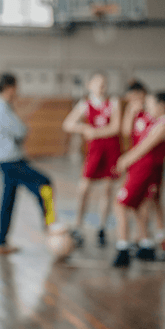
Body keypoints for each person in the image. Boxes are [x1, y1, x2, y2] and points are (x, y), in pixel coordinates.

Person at [0, 73, 56, 255]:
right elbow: (20, 131)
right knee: (45, 184)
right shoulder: (0, 107)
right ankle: (51, 226)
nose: (17, 91)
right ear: (9, 87)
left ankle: (1, 242)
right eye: (16, 87)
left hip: (7, 160)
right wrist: (24, 126)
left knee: (8, 200)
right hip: (10, 161)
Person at [114, 91, 165, 267]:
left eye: (150, 105)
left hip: (145, 169)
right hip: (144, 168)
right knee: (141, 207)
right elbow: (130, 133)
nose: (147, 108)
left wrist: (125, 159)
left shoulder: (163, 125)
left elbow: (144, 147)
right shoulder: (156, 121)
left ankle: (123, 248)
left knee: (121, 204)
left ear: (161, 106)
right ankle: (146, 244)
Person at [62, 71, 121, 248]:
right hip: (94, 152)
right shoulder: (85, 104)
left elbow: (115, 127)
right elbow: (68, 124)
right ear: (90, 85)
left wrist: (95, 132)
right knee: (84, 189)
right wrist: (84, 128)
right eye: (98, 83)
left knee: (108, 190)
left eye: (104, 83)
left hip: (111, 151)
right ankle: (78, 225)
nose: (101, 86)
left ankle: (102, 227)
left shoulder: (114, 102)